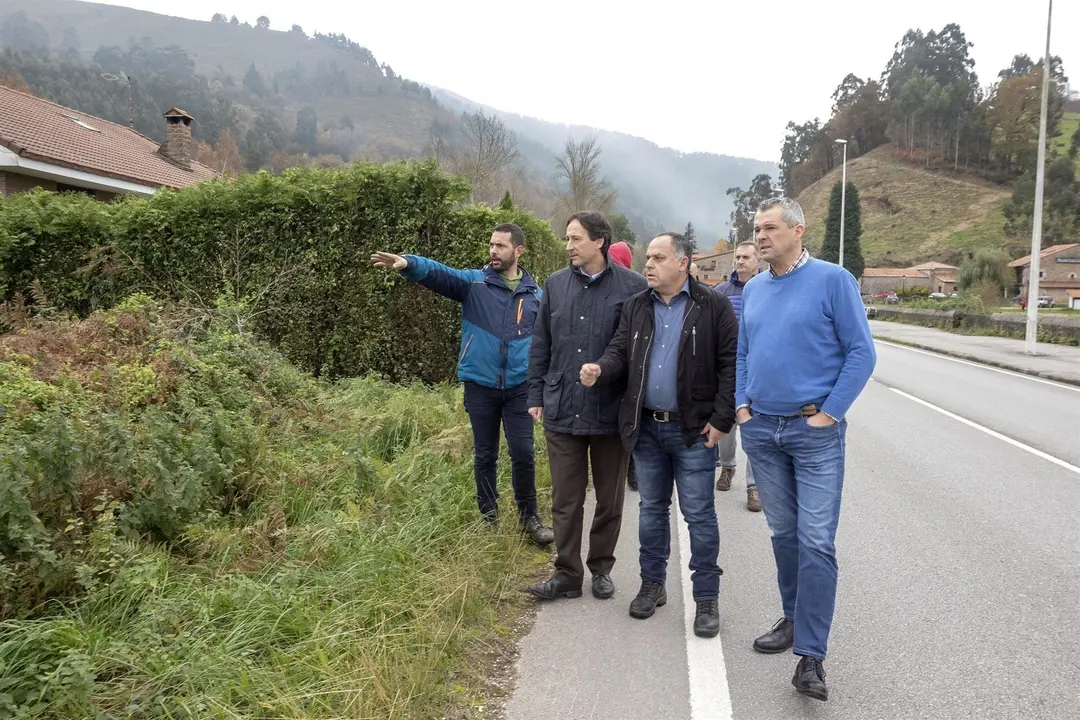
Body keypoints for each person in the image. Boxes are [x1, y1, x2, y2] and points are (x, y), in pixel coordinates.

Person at [735, 197, 876, 701]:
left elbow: (862, 351)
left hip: (812, 432)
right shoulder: (753, 289)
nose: (761, 235)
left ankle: (811, 657)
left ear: (798, 230)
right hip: (762, 432)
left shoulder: (833, 280)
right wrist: (741, 406)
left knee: (816, 540)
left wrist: (829, 413)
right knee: (783, 534)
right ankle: (792, 617)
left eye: (770, 227)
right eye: (756, 228)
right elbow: (744, 352)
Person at [580, 231, 738, 638]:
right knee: (651, 510)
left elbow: (729, 366)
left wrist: (722, 420)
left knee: (700, 516)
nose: (647, 264)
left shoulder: (713, 306)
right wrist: (601, 368)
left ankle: (706, 597)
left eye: (657, 257)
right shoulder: (636, 306)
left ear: (683, 262)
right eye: (646, 257)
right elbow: (619, 351)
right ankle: (653, 585)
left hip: (693, 432)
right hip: (647, 427)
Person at [371, 224, 555, 547]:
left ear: (519, 251)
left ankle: (529, 518)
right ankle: (489, 519)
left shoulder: (536, 295)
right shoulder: (475, 283)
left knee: (524, 453)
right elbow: (441, 274)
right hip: (480, 386)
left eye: (500, 246)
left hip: (519, 389)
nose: (493, 251)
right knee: (485, 454)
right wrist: (410, 264)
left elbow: (544, 346)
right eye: (491, 245)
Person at [523, 212, 648, 601]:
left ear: (600, 241)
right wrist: (534, 395)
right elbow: (541, 342)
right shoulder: (555, 285)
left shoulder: (634, 287)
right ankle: (567, 574)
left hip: (611, 411)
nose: (569, 246)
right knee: (566, 499)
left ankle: (601, 568)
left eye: (576, 238)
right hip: (562, 407)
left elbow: (636, 349)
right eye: (567, 238)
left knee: (609, 500)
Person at [714, 241, 762, 512]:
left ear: (758, 261)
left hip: (758, 372)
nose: (740, 261)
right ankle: (727, 468)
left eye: (746, 257)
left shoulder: (768, 288)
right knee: (728, 425)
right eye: (738, 256)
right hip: (728, 369)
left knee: (754, 429)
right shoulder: (721, 292)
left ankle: (754, 487)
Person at [607, 240, 639, 492]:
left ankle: (632, 467)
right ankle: (628, 468)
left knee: (631, 417)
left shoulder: (635, 289)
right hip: (609, 363)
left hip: (630, 364)